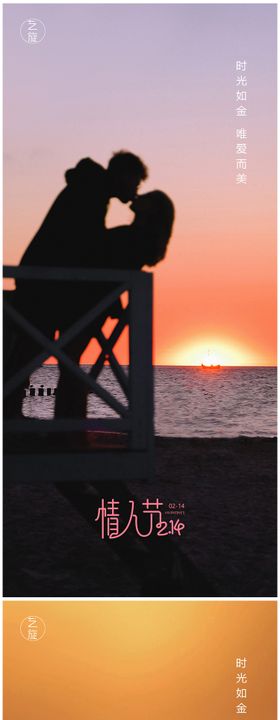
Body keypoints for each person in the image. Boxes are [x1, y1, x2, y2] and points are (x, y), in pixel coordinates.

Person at [4, 151, 148, 417]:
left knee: (31, 350)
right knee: (32, 351)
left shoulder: (90, 188)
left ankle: (13, 417)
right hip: (45, 284)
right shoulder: (92, 192)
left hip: (45, 280)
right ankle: (14, 419)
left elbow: (85, 247)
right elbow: (86, 247)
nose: (136, 189)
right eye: (136, 182)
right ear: (124, 175)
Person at [54, 190, 175, 419]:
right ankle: (69, 425)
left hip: (91, 301)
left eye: (147, 198)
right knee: (69, 359)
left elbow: (100, 256)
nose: (140, 195)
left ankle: (70, 425)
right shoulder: (135, 238)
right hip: (95, 301)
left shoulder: (134, 238)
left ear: (153, 211)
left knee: (69, 359)